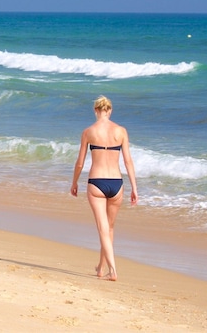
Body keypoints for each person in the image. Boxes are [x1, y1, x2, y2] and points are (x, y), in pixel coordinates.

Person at [70, 95, 138, 281]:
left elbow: (80, 163)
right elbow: (128, 161)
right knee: (109, 228)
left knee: (102, 228)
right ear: (110, 110)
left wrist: (74, 182)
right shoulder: (121, 131)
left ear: (95, 110)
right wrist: (134, 188)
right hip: (117, 184)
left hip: (97, 183)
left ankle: (113, 271)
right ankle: (101, 267)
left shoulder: (88, 132)